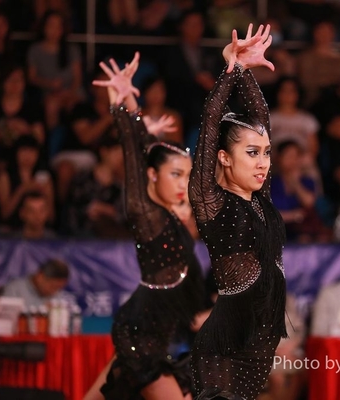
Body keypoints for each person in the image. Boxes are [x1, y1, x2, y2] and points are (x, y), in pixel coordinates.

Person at [84, 53, 205, 400]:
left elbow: (150, 154)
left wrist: (135, 108)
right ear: (153, 176)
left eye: (186, 175)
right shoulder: (145, 212)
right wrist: (119, 103)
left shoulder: (169, 211)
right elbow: (133, 151)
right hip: (141, 336)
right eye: (176, 175)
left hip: (153, 334)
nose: (183, 184)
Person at [188, 24, 288, 400]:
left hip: (258, 350)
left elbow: (261, 115)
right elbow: (212, 121)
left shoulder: (261, 199)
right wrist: (230, 67)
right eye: (251, 153)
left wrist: (246, 70)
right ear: (225, 158)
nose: (262, 162)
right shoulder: (210, 200)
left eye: (266, 153)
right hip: (223, 349)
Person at [1, 258, 70, 308]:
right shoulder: (15, 290)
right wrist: (43, 310)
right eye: (53, 286)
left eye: (59, 288)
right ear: (40, 277)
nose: (54, 292)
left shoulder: (58, 296)